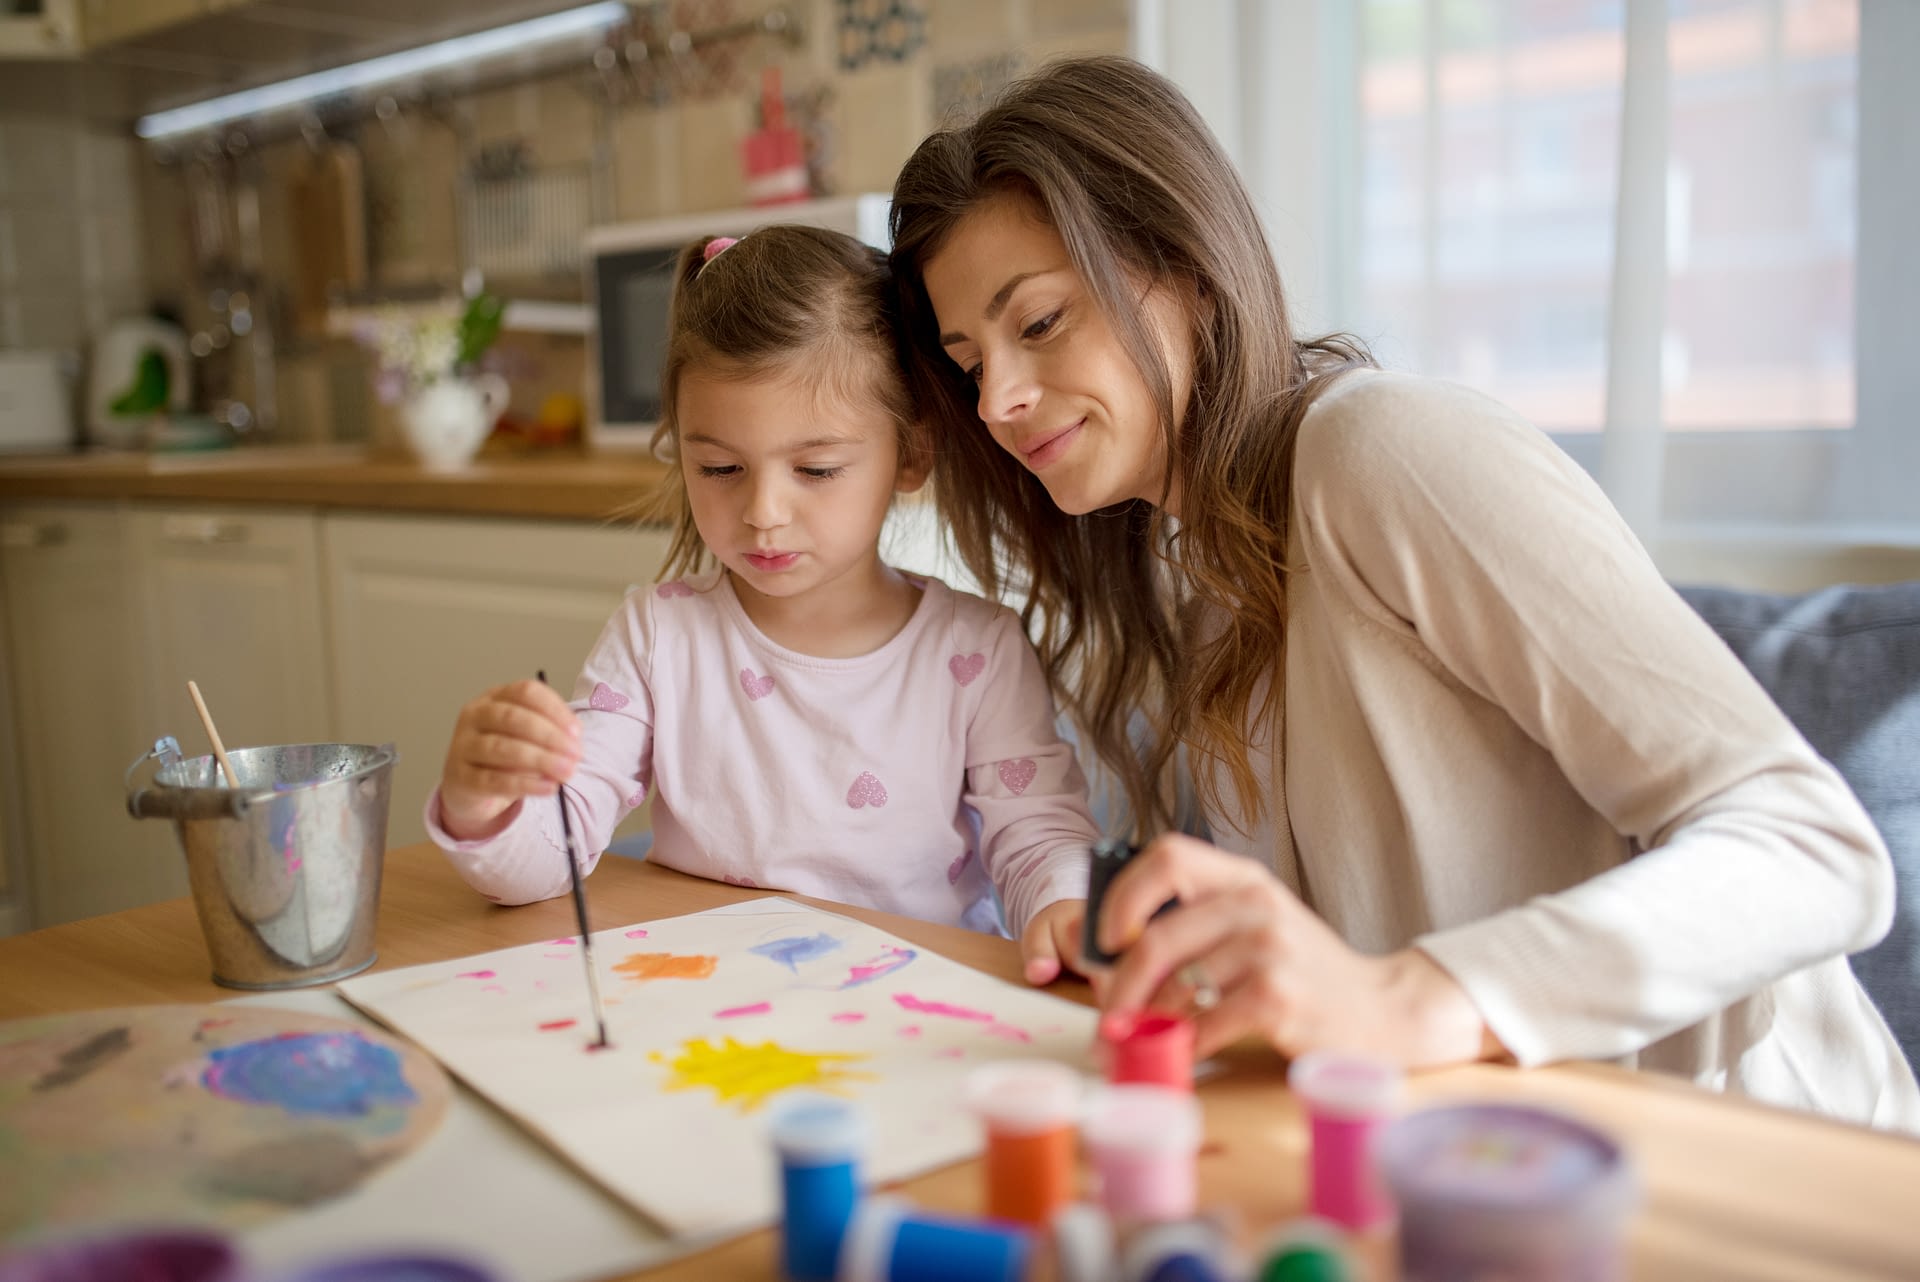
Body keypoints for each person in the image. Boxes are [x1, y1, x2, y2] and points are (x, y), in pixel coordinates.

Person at [887, 54, 1920, 1129]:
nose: (999, 400)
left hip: (1754, 1162)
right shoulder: (1176, 572)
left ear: (1188, 268)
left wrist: (1405, 997)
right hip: (1473, 1157)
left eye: (1041, 322)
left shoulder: (1382, 450)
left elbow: (1813, 847)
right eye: (967, 362)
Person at [427, 225, 1096, 984]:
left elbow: (1041, 841)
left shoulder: (977, 654)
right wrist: (483, 805)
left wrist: (1066, 906)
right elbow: (543, 865)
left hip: (908, 1014)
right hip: (715, 1014)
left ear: (910, 454)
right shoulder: (658, 637)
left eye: (815, 469)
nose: (763, 511)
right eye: (719, 467)